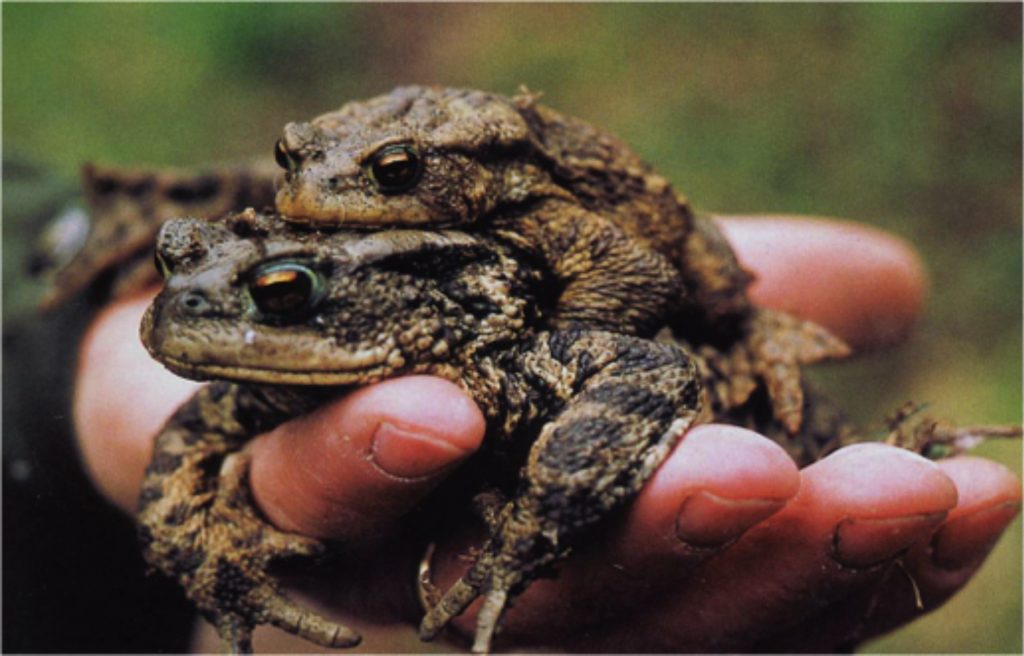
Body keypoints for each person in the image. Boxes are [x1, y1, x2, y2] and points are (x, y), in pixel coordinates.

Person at [73, 216, 1021, 652]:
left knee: (811, 472)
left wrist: (531, 526)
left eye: (280, 298)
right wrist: (225, 568)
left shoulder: (496, 345)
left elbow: (649, 366)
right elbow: (182, 460)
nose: (181, 308)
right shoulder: (262, 391)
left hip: (747, 425)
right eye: (176, 271)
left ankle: (903, 440)